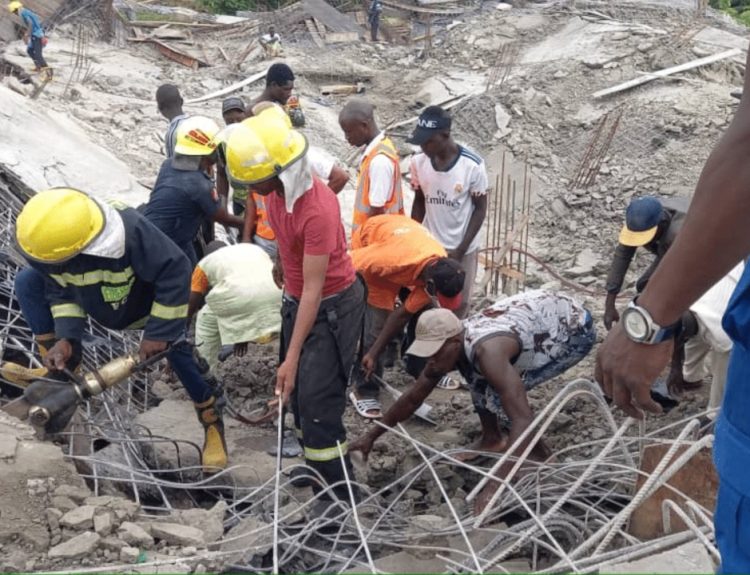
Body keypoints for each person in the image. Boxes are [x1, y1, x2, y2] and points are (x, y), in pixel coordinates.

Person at [595, 47, 750, 573]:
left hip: (719, 299)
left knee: (711, 348)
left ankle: (702, 401)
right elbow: (624, 255)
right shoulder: (646, 219)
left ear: (662, 225)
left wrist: (648, 323)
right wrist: (614, 297)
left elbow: (748, 149)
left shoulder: (687, 228)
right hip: (704, 295)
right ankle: (693, 385)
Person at [13, 188, 228, 471]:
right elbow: (61, 290)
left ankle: (211, 420)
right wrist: (66, 337)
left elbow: (176, 271)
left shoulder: (131, 233)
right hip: (99, 301)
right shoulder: (48, 249)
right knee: (28, 281)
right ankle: (61, 374)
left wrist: (158, 332)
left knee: (177, 351)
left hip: (147, 305)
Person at [224, 108, 365, 501]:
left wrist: (291, 357)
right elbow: (290, 245)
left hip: (331, 308)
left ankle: (339, 494)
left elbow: (315, 290)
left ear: (280, 172)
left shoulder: (317, 209)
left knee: (318, 403)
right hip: (298, 300)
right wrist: (280, 264)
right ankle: (317, 466)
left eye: (257, 180)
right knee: (299, 399)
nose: (253, 188)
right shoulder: (275, 194)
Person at [351, 290, 595, 513]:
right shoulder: (453, 343)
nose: (431, 361)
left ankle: (539, 456)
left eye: (435, 353)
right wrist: (371, 436)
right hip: (533, 318)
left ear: (454, 343)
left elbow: (523, 418)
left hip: (572, 329)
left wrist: (494, 486)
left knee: (500, 398)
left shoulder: (488, 352)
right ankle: (492, 439)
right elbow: (412, 399)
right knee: (478, 377)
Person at [349, 214, 465, 418]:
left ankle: (419, 368)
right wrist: (373, 352)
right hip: (373, 240)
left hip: (408, 245)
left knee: (425, 314)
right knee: (377, 325)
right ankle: (365, 389)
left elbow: (402, 314)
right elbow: (348, 261)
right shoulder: (384, 261)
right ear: (430, 284)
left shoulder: (441, 266)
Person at [409, 106, 488, 319]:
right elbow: (419, 201)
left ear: (445, 135)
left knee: (459, 303)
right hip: (431, 245)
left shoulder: (472, 166)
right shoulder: (418, 162)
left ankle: (455, 336)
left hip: (462, 246)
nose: (423, 147)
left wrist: (460, 250)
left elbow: (480, 209)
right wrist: (415, 238)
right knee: (428, 299)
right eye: (421, 142)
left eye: (428, 141)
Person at [143, 116, 244, 266]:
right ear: (208, 152)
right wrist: (251, 224)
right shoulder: (199, 186)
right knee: (187, 275)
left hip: (156, 235)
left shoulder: (168, 165)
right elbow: (224, 218)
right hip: (168, 247)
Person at [188, 241, 282, 374]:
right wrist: (242, 336)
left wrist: (178, 334)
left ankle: (206, 374)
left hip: (242, 299)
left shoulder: (204, 264)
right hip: (277, 294)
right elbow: (251, 288)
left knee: (205, 317)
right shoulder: (252, 249)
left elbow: (191, 305)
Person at [666, 263, 743, 417]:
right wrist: (676, 368)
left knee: (722, 368)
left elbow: (728, 346)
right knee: (693, 338)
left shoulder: (724, 330)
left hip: (728, 325)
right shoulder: (682, 299)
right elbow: (677, 328)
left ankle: (714, 413)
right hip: (724, 274)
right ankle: (691, 377)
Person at [603, 196, 689, 330]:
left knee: (659, 292)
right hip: (668, 247)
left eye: (644, 237)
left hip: (698, 252)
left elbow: (673, 275)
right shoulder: (640, 217)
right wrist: (609, 304)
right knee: (645, 286)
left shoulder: (678, 234)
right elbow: (622, 256)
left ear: (660, 224)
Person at [339, 98, 404, 232]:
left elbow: (376, 211)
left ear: (364, 126)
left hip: (378, 236)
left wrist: (365, 238)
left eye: (348, 131)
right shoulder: (376, 150)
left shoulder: (379, 161)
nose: (346, 137)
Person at [8, 2, 49, 76]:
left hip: (37, 35)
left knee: (38, 55)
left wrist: (26, 35)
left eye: (14, 12)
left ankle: (48, 73)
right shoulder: (25, 11)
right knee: (30, 50)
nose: (15, 14)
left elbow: (31, 24)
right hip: (35, 34)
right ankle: (38, 67)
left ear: (16, 9)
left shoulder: (24, 13)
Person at [156, 84, 187, 158]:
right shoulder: (196, 124)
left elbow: (172, 162)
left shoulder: (173, 133)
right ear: (181, 101)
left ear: (160, 107)